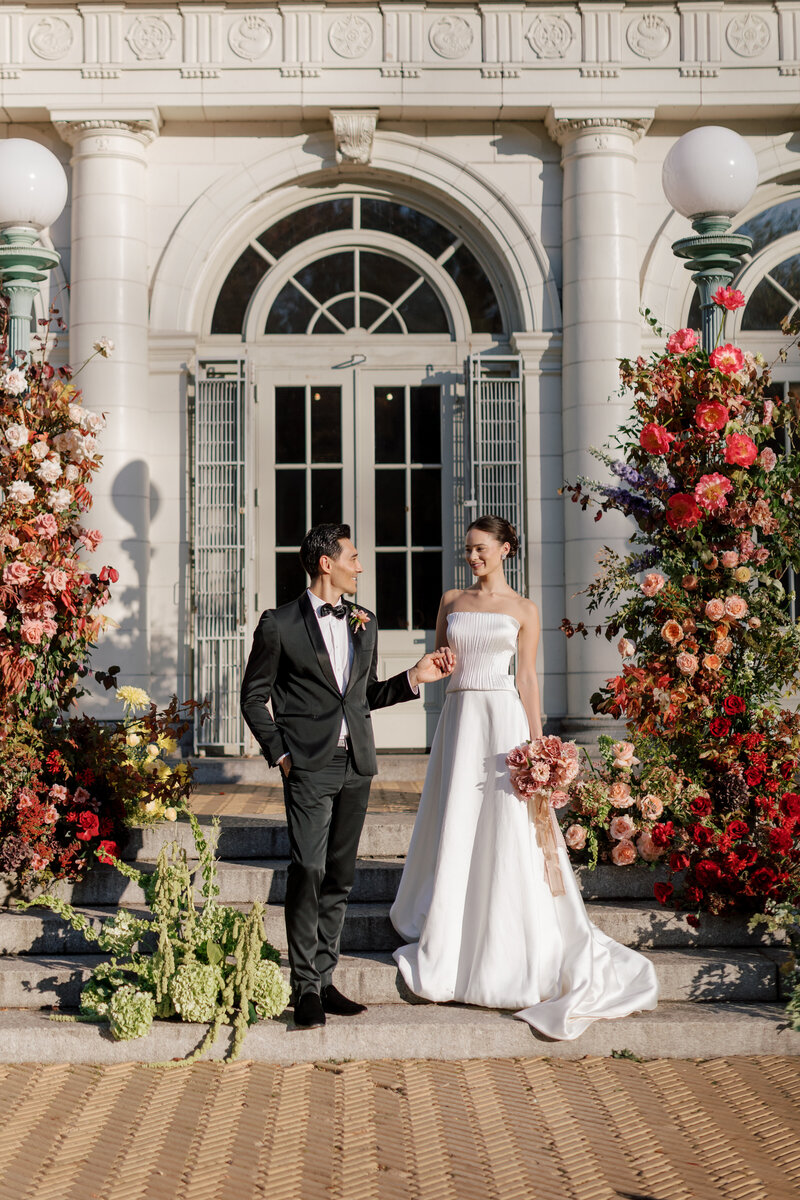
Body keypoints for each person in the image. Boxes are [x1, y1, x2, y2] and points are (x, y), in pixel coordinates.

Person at [390, 514, 658, 1039]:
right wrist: (437, 665)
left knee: (507, 830)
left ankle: (507, 947)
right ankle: (450, 935)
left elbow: (529, 678)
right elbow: (443, 660)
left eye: (481, 549)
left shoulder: (524, 609)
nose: (472, 557)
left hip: (504, 722)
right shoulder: (450, 601)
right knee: (458, 822)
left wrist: (541, 749)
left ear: (506, 550)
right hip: (462, 721)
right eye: (468, 549)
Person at [241, 523, 455, 1030]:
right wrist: (281, 754)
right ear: (325, 563)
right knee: (308, 870)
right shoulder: (279, 624)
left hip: (356, 764)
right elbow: (253, 696)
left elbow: (363, 698)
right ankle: (304, 989)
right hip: (307, 767)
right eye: (353, 557)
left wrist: (414, 678)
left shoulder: (365, 622)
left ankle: (326, 977)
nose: (360, 566)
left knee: (339, 875)